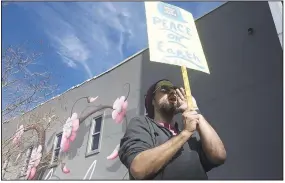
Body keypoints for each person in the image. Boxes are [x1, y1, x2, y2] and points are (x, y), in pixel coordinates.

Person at [118, 79, 226, 180]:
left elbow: (219, 156)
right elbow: (139, 169)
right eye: (164, 88)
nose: (172, 92)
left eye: (174, 89)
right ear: (152, 100)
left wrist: (195, 110)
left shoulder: (190, 130)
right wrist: (185, 133)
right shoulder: (141, 124)